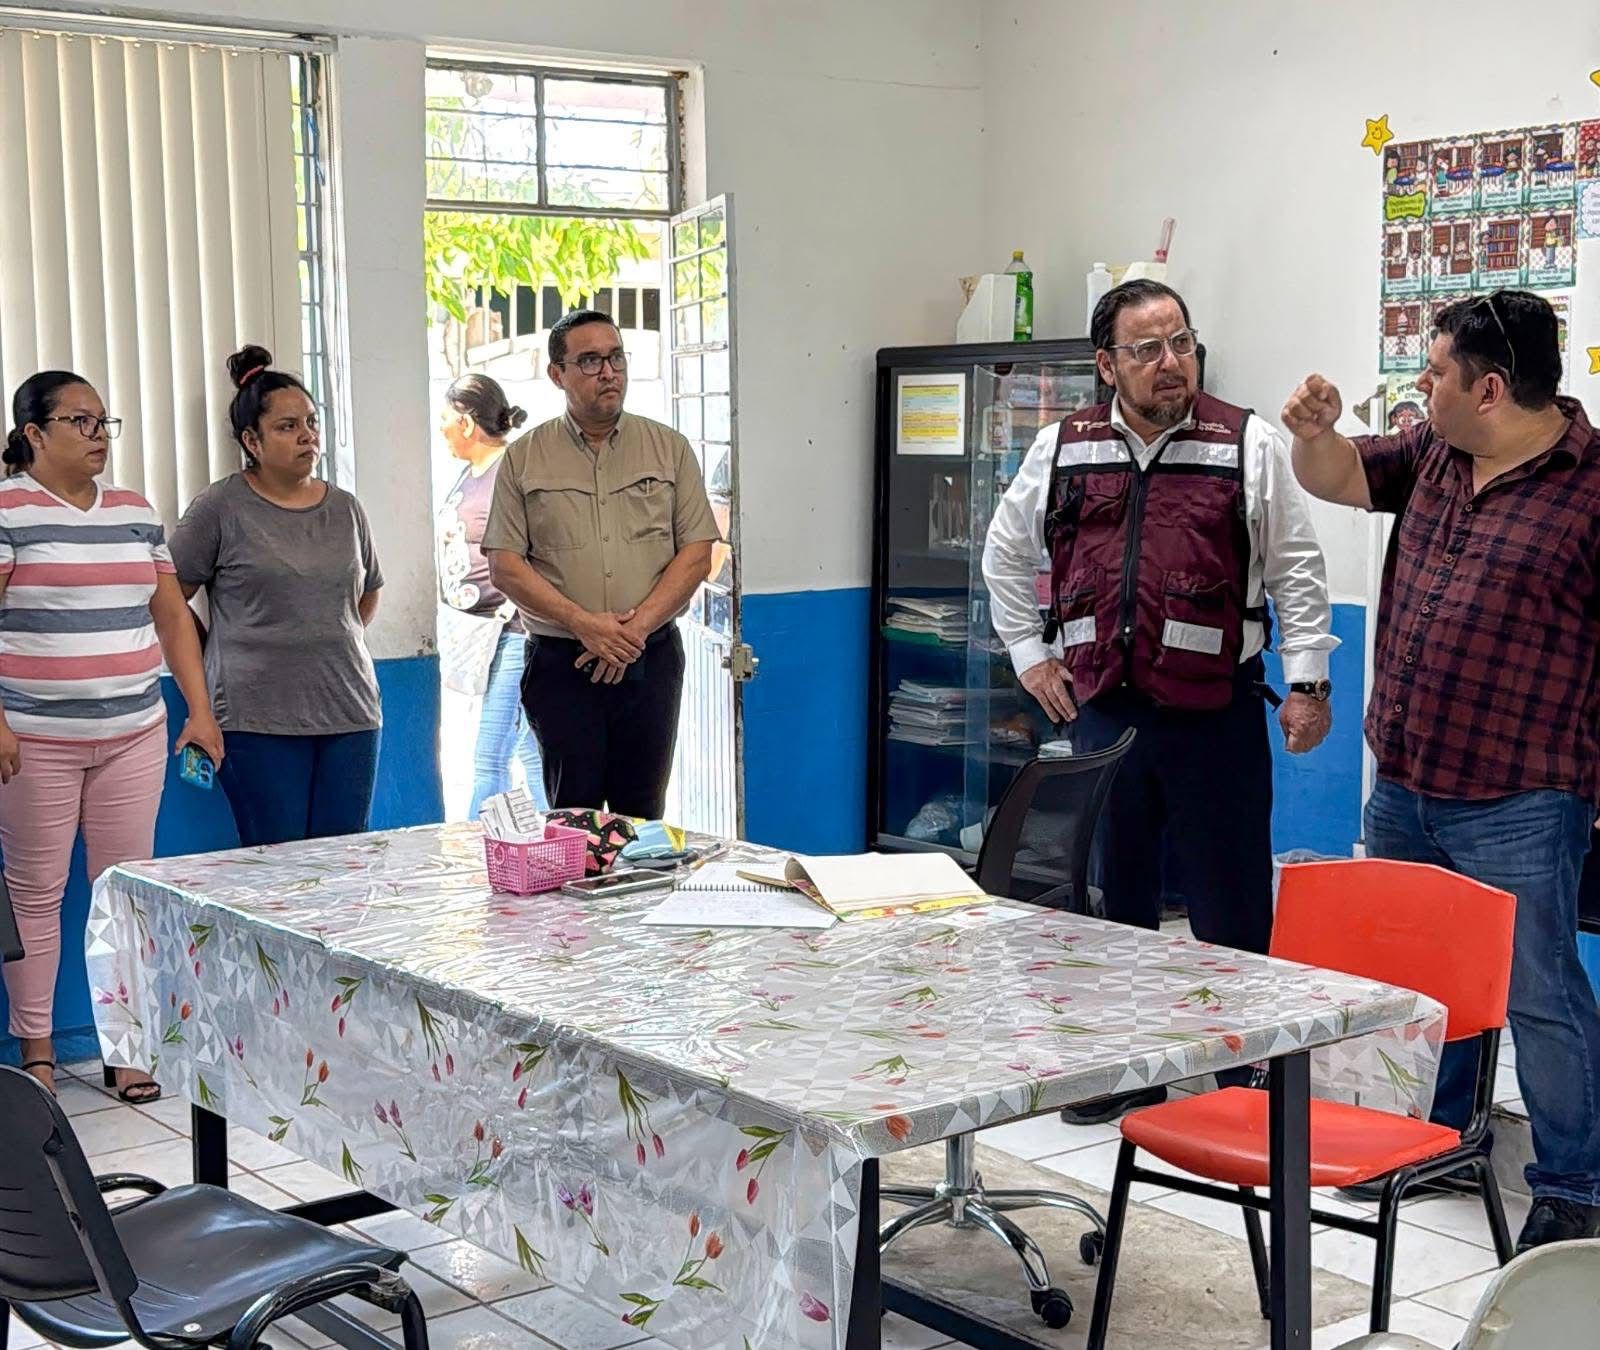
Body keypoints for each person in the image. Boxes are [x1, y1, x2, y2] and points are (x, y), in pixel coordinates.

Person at [1285, 289, 1600, 1251]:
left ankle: (1575, 1187)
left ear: (1490, 389)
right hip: (1407, 778)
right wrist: (1314, 435)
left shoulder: (1592, 492)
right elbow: (1338, 477)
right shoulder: (1434, 451)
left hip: (1524, 796)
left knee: (1539, 994)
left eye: (1433, 374)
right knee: (1422, 982)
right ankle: (1439, 1142)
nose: (1420, 388)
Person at [982, 280, 1338, 1124]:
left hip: (1216, 711)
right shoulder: (1063, 448)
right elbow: (1004, 553)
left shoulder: (1245, 441)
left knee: (1230, 900)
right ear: (1108, 365)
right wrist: (1030, 657)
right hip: (1104, 713)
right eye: (1147, 349)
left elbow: (1297, 568)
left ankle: (1241, 1074)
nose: (1171, 362)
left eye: (1181, 343)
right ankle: (1126, 1069)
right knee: (1114, 901)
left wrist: (1309, 684)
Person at [0, 371, 223, 1101]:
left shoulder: (133, 510)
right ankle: (37, 1052)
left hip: (134, 731)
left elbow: (171, 615)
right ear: (34, 434)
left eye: (103, 421)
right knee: (35, 894)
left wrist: (200, 710)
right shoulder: (8, 510)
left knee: (123, 892)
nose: (98, 435)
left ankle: (126, 1047)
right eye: (80, 421)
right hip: (34, 739)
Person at [484, 310, 719, 819]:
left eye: (615, 358)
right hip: (562, 663)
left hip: (649, 658)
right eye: (590, 361)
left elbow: (697, 552)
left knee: (643, 815)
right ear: (557, 374)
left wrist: (632, 632)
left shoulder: (669, 449)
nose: (608, 372)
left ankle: (637, 879)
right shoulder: (525, 458)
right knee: (574, 817)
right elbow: (505, 565)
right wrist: (586, 626)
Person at [169, 346, 384, 847]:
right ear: (252, 440)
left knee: (343, 862)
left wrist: (329, 635)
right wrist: (214, 655)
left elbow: (368, 592)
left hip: (350, 713)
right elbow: (168, 601)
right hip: (255, 719)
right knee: (277, 865)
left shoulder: (345, 509)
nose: (307, 435)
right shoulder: (220, 507)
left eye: (311, 422)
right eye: (287, 427)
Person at [435, 374, 546, 816]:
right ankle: (563, 835)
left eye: (446, 418)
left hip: (514, 631)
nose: (441, 428)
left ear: (465, 422)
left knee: (490, 757)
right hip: (483, 636)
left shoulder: (510, 472)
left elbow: (537, 550)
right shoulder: (471, 472)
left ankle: (478, 844)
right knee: (531, 751)